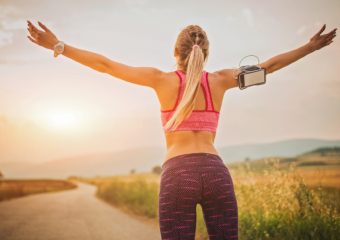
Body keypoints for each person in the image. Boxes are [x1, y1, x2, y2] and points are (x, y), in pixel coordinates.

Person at [27, 21, 336, 240]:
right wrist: (310, 47)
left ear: (176, 51)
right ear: (206, 53)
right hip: (217, 174)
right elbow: (271, 66)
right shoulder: (222, 79)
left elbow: (105, 65)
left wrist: (59, 46)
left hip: (177, 175)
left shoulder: (158, 79)